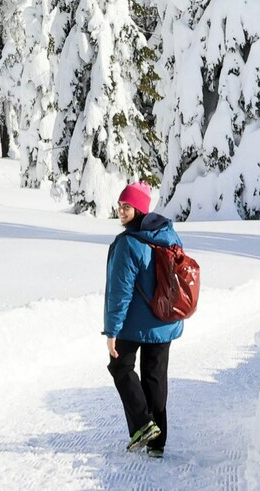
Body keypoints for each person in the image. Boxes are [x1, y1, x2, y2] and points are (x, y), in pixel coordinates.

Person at [103, 181, 183, 457]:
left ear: (139, 209)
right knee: (155, 378)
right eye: (120, 205)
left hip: (134, 322)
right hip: (165, 320)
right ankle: (157, 445)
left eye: (127, 206)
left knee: (120, 365)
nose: (121, 210)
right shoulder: (168, 235)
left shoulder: (128, 243)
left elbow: (120, 293)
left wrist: (111, 331)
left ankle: (143, 424)